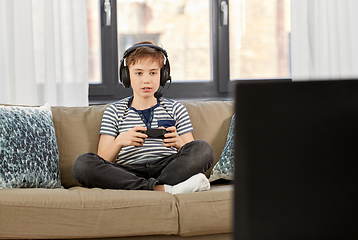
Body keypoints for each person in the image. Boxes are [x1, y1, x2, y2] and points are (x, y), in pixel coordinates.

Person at [72, 41, 214, 194]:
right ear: (127, 76)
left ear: (163, 75)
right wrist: (120, 141)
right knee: (82, 164)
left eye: (153, 73)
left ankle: (152, 188)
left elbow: (193, 150)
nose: (146, 80)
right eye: (139, 73)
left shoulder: (176, 108)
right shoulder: (114, 111)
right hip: (127, 171)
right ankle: (162, 189)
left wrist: (179, 143)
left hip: (168, 168)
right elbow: (103, 160)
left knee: (203, 149)